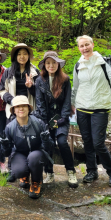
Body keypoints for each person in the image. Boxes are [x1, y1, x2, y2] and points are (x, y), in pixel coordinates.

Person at [72, 35, 111, 187]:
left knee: (98, 143)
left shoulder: (104, 63)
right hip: (82, 107)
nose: (85, 48)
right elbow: (75, 87)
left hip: (100, 107)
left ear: (92, 44)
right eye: (81, 46)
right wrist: (71, 106)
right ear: (79, 48)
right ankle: (91, 171)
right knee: (87, 142)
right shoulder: (78, 65)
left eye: (87, 44)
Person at [35, 51, 78, 188]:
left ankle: (71, 171)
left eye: (54, 62)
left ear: (58, 64)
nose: (51, 65)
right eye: (48, 63)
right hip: (46, 118)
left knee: (62, 142)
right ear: (44, 65)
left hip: (61, 117)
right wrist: (45, 122)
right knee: (47, 143)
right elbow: (39, 102)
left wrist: (63, 118)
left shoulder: (65, 79)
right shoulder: (39, 80)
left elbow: (67, 101)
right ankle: (49, 172)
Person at [0, 96, 53, 199]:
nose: (21, 109)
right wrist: (5, 146)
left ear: (29, 108)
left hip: (37, 153)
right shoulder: (10, 127)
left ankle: (36, 181)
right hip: (20, 152)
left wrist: (46, 140)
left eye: (24, 106)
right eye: (18, 106)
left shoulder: (38, 123)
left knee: (33, 158)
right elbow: (6, 153)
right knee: (18, 170)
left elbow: (49, 147)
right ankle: (25, 175)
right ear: (14, 110)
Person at [0, 43, 40, 178]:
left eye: (25, 54)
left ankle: (31, 167)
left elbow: (39, 93)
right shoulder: (8, 71)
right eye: (19, 54)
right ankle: (13, 168)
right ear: (15, 56)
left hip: (29, 110)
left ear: (29, 56)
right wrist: (13, 101)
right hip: (13, 109)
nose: (22, 56)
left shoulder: (35, 72)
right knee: (12, 138)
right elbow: (2, 90)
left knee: (30, 138)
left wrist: (31, 87)